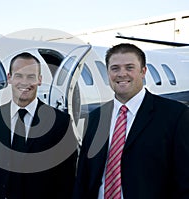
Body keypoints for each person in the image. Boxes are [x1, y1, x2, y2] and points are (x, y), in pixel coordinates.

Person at [73, 43, 189, 199]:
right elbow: (84, 176)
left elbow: (185, 179)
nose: (122, 74)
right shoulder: (96, 118)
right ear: (108, 73)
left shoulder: (175, 115)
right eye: (115, 68)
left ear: (143, 72)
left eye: (129, 67)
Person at [0, 52, 78, 199]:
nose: (24, 82)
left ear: (40, 80)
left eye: (31, 77)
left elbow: (67, 180)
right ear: (9, 78)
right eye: (19, 76)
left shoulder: (60, 122)